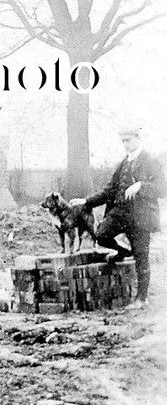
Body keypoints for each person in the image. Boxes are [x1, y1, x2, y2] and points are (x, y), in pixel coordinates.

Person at [71, 125, 164, 308]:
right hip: (120, 213)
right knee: (101, 235)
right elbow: (110, 190)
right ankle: (123, 252)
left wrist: (141, 186)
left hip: (141, 217)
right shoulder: (123, 163)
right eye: (123, 141)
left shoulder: (150, 160)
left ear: (138, 138)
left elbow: (163, 188)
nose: (125, 144)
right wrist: (86, 201)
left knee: (141, 256)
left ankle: (141, 298)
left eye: (128, 140)